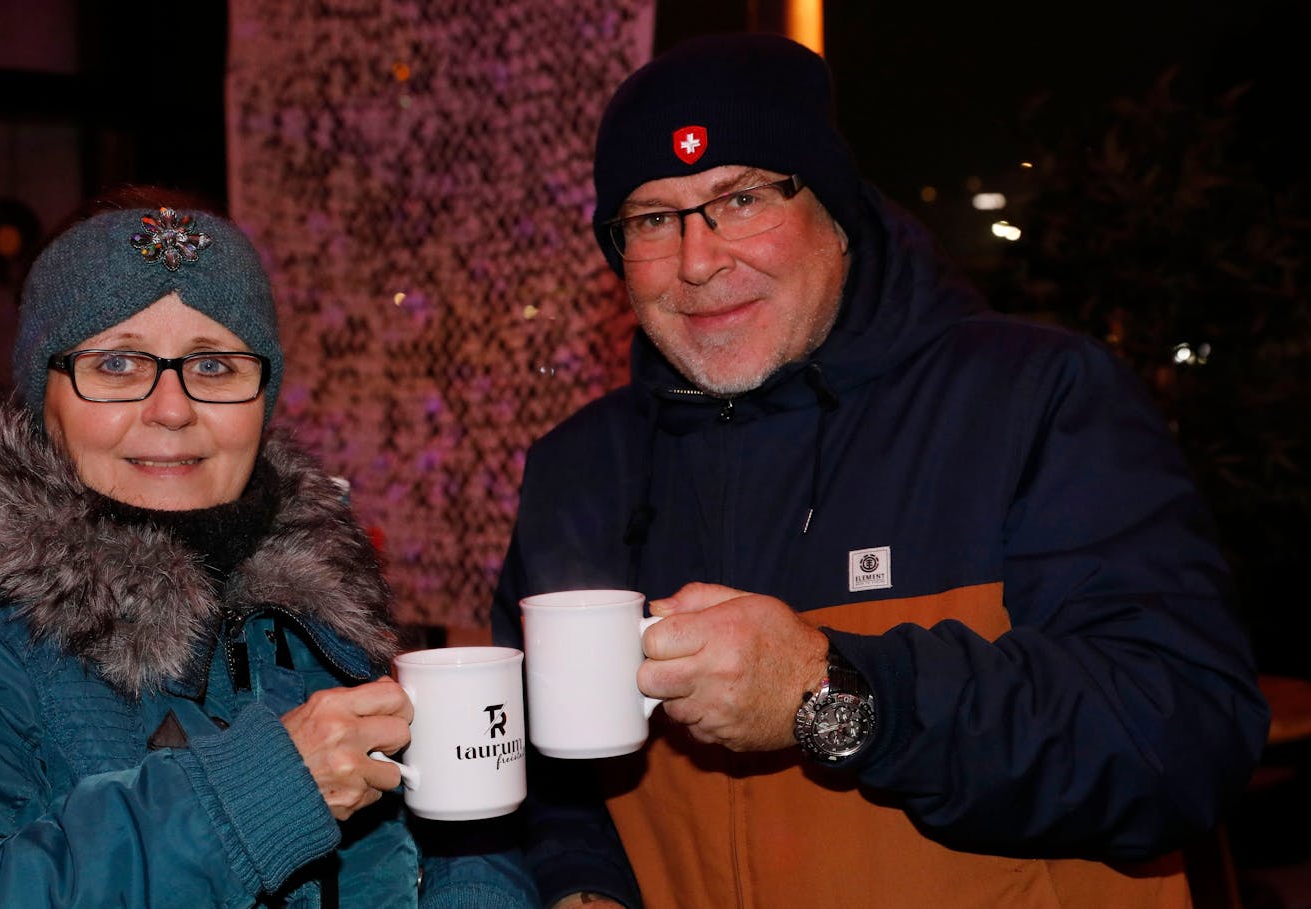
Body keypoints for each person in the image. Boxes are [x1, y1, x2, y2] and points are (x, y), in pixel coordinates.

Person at [491, 33, 1269, 909]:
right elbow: (542, 770)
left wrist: (835, 690)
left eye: (740, 198)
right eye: (652, 219)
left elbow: (1182, 743)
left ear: (837, 208)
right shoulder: (578, 472)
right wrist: (579, 887)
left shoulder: (1036, 400)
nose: (698, 260)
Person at [0, 189, 536, 908]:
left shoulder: (315, 612)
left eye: (214, 364)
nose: (172, 407)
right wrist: (248, 800)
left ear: (263, 400)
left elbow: (452, 835)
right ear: (40, 395)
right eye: (117, 362)